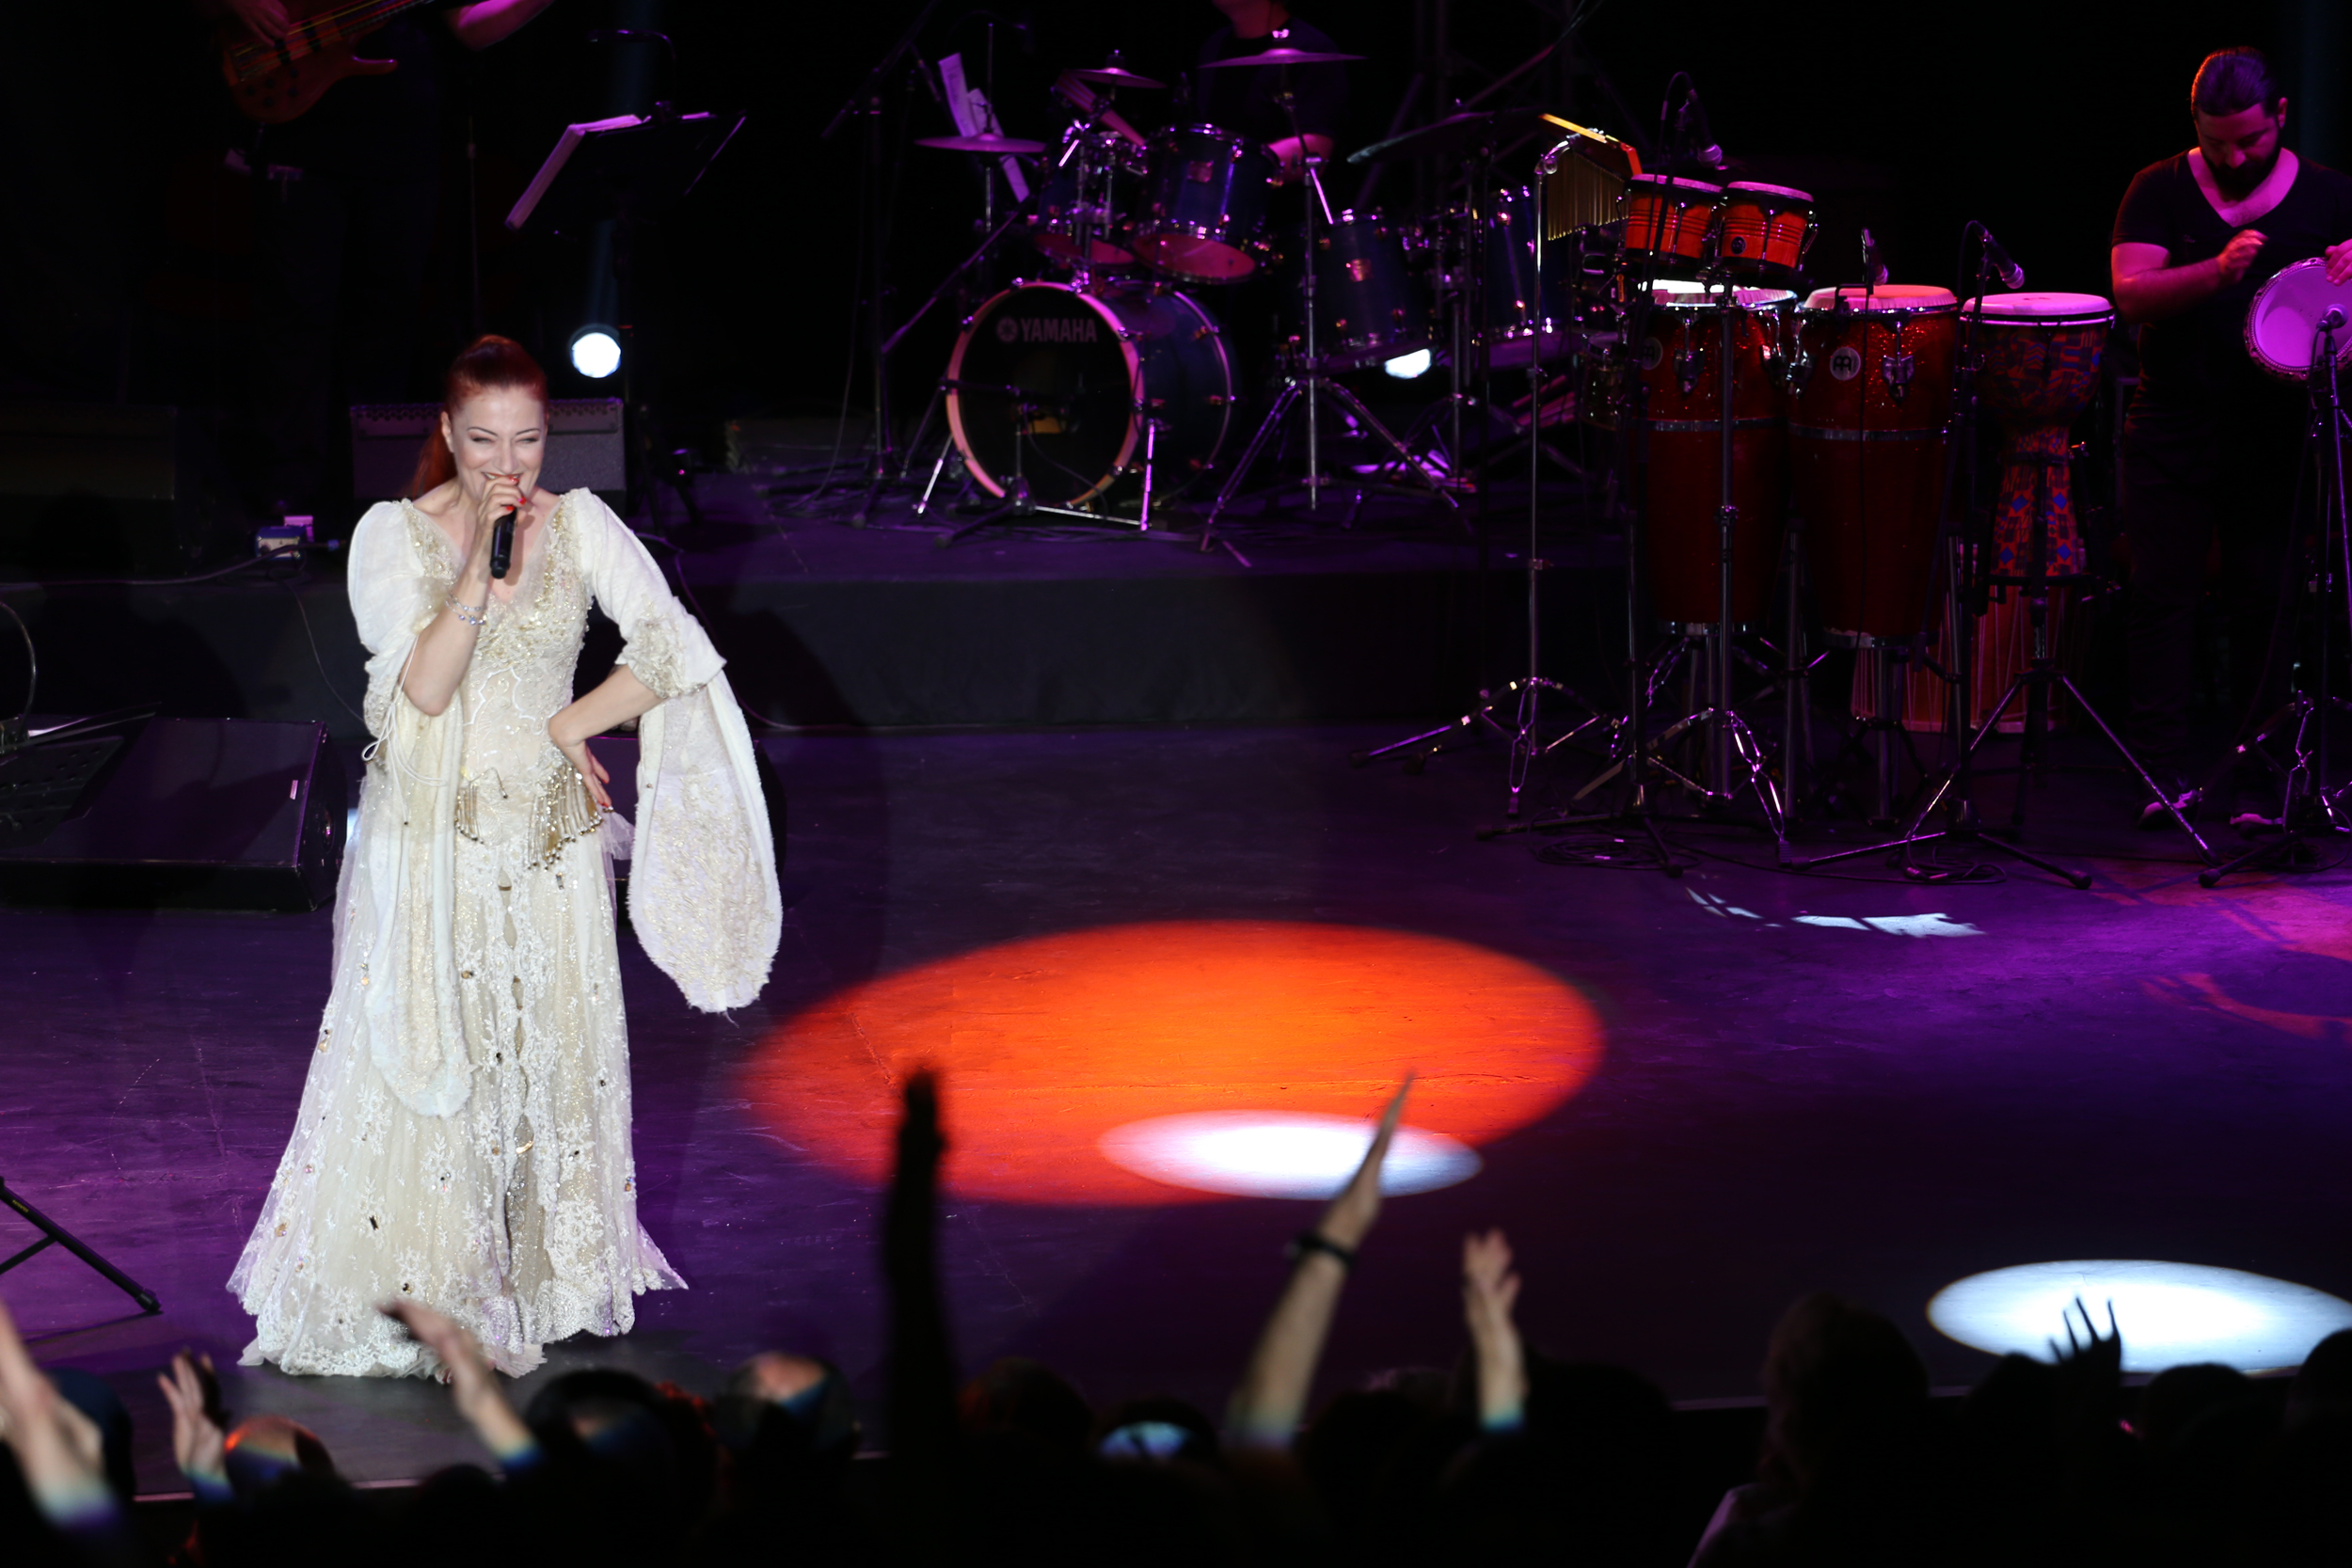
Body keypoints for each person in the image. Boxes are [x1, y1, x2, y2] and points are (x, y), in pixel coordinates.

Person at [230, 335, 780, 1379]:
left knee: (548, 1050)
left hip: (550, 842)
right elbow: (424, 691)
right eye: (483, 441)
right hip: (435, 843)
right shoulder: (392, 536)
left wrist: (575, 722)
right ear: (447, 434)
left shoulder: (581, 525)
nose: (507, 465)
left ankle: (543, 1272)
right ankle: (438, 1283)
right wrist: (478, 574)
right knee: (446, 1058)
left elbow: (676, 645)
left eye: (526, 441)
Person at [2110, 47, 2352, 829]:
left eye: (2249, 140)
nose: (2235, 157)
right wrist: (2215, 273)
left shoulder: (2329, 194)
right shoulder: (2158, 187)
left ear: (2281, 116)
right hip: (2172, 424)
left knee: (2264, 603)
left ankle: (2260, 784)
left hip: (2274, 430)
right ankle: (2160, 777)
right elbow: (2130, 294)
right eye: (2217, 142)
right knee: (2161, 598)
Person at [209, 0, 560, 522]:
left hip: (402, 148)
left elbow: (467, 26)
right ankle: (286, 504)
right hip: (302, 133)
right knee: (294, 327)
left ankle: (368, 502)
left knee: (386, 330)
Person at [1194, 1, 1348, 182]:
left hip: (1274, 196)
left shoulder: (1313, 49)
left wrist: (1223, 165)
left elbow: (1314, 151)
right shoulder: (1213, 46)